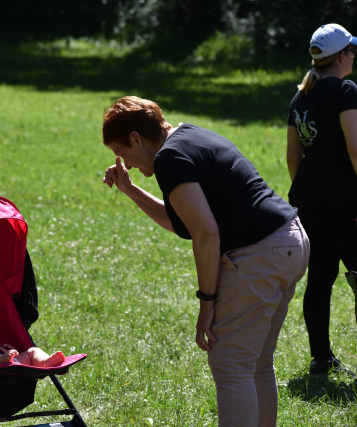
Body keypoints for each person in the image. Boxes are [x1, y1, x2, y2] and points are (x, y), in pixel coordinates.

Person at [101, 96, 309, 427]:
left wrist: (206, 303)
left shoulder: (169, 158)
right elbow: (183, 221)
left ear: (136, 139)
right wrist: (130, 189)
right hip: (288, 241)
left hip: (259, 252)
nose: (129, 165)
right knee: (254, 364)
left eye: (123, 153)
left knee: (231, 365)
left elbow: (206, 234)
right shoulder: (190, 136)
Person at [286, 23, 357, 376]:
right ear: (342, 56)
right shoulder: (345, 90)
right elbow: (355, 148)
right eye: (352, 51)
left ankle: (321, 359)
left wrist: (310, 196)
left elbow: (292, 157)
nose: (354, 56)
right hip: (345, 201)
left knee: (320, 279)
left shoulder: (301, 97)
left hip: (307, 200)